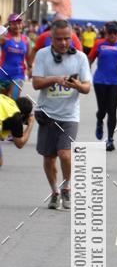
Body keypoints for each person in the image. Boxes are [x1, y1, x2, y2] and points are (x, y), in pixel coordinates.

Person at [32, 19, 91, 210]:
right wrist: (56, 79)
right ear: (52, 38)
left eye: (67, 39)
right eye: (59, 39)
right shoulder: (42, 55)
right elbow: (36, 83)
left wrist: (77, 85)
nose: (64, 43)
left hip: (69, 115)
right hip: (47, 113)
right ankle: (54, 191)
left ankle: (66, 186)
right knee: (49, 158)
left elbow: (87, 88)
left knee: (65, 154)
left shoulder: (80, 58)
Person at [88, 21, 117, 151]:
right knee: (102, 110)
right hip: (100, 81)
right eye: (110, 33)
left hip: (116, 82)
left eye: (115, 33)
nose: (113, 35)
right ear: (106, 33)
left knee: (112, 110)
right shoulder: (99, 43)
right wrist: (85, 72)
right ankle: (99, 121)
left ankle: (110, 139)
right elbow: (90, 58)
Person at [0, 14, 32, 99]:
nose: (17, 26)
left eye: (19, 23)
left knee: (13, 100)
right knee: (2, 101)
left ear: (22, 24)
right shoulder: (4, 38)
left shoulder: (26, 40)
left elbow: (29, 58)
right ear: (9, 25)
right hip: (3, 75)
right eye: (14, 23)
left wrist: (31, 69)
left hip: (18, 75)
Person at [0, 94, 34, 167]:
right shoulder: (16, 116)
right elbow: (20, 143)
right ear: (23, 115)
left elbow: (2, 137)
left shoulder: (8, 101)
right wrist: (30, 124)